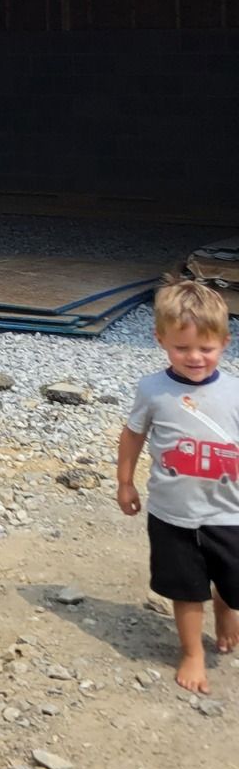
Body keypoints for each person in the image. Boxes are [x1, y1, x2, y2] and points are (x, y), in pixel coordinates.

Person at [118, 278, 239, 694]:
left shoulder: (236, 392)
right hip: (172, 513)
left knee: (232, 581)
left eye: (205, 348)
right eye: (181, 348)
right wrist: (125, 482)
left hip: (230, 513)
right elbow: (133, 434)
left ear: (224, 342)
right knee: (186, 587)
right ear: (160, 339)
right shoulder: (152, 389)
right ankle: (192, 652)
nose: (194, 357)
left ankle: (226, 610)